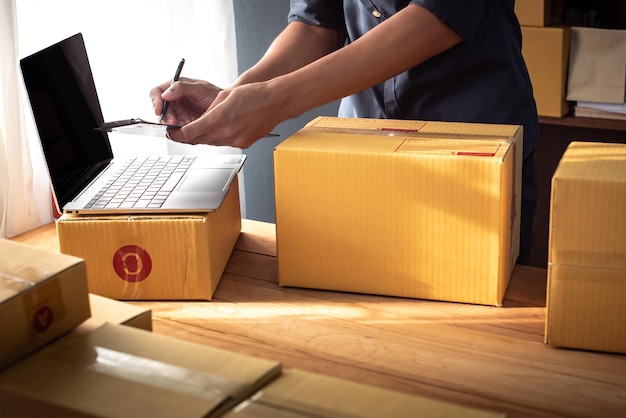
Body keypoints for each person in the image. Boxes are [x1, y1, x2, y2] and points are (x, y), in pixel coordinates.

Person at [150, 0, 540, 265]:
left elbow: (439, 17)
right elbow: (316, 26)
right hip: (360, 143)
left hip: (472, 142)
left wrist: (274, 101)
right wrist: (235, 96)